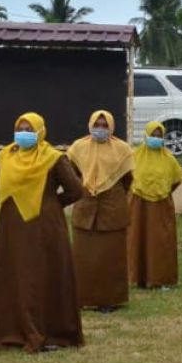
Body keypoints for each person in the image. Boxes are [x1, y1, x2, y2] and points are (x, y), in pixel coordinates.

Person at [0, 113, 85, 352]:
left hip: (43, 227)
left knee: (41, 276)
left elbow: (76, 190)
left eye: (29, 128)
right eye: (20, 128)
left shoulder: (53, 158)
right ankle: (12, 330)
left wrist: (51, 204)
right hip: (11, 227)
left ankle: (49, 332)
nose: (23, 133)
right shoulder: (5, 156)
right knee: (14, 275)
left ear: (40, 131)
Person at [68, 110, 135, 313]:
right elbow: (72, 174)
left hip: (112, 208)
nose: (100, 129)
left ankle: (109, 299)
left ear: (112, 127)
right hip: (85, 205)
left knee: (110, 257)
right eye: (97, 124)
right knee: (83, 256)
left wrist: (111, 193)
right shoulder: (78, 148)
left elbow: (127, 180)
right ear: (89, 125)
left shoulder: (123, 150)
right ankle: (81, 297)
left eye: (105, 125)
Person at [127, 121, 182, 290]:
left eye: (160, 136)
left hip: (161, 205)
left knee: (161, 241)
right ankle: (139, 277)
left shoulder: (169, 158)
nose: (156, 139)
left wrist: (163, 191)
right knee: (137, 239)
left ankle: (160, 278)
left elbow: (176, 179)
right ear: (146, 136)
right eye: (153, 135)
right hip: (139, 205)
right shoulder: (134, 156)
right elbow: (126, 178)